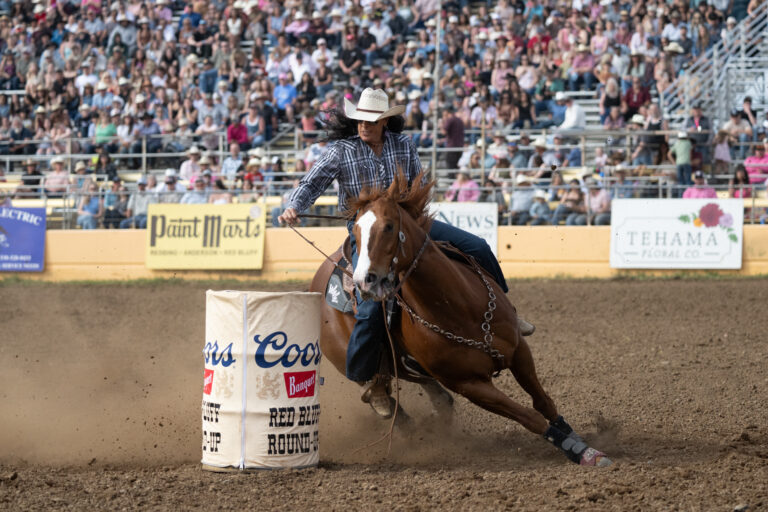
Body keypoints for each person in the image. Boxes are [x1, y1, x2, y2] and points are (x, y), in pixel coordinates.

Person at [277, 89, 510, 419]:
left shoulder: (404, 144)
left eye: (371, 121)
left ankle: (505, 309)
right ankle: (371, 379)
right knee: (372, 299)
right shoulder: (340, 152)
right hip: (368, 231)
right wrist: (293, 207)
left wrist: (413, 224)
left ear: (385, 121)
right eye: (360, 120)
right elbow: (311, 183)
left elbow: (418, 185)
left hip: (410, 226)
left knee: (477, 247)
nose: (363, 126)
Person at [668, 132, 693, 197]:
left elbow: (669, 154)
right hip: (687, 163)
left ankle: (680, 196)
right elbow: (690, 154)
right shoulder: (688, 143)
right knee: (688, 181)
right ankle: (688, 196)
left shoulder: (676, 143)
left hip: (679, 163)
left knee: (680, 182)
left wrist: (674, 163)